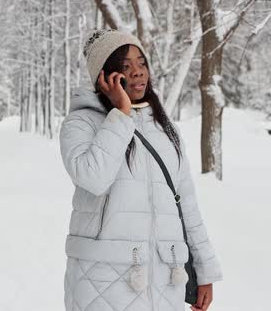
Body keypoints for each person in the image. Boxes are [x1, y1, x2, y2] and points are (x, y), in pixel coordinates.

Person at [59, 30, 222, 311]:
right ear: (105, 75)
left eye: (141, 63)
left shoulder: (166, 129)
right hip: (102, 283)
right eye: (125, 66)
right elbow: (93, 178)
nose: (137, 73)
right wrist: (121, 113)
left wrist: (204, 270)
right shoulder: (81, 123)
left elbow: (187, 205)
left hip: (165, 282)